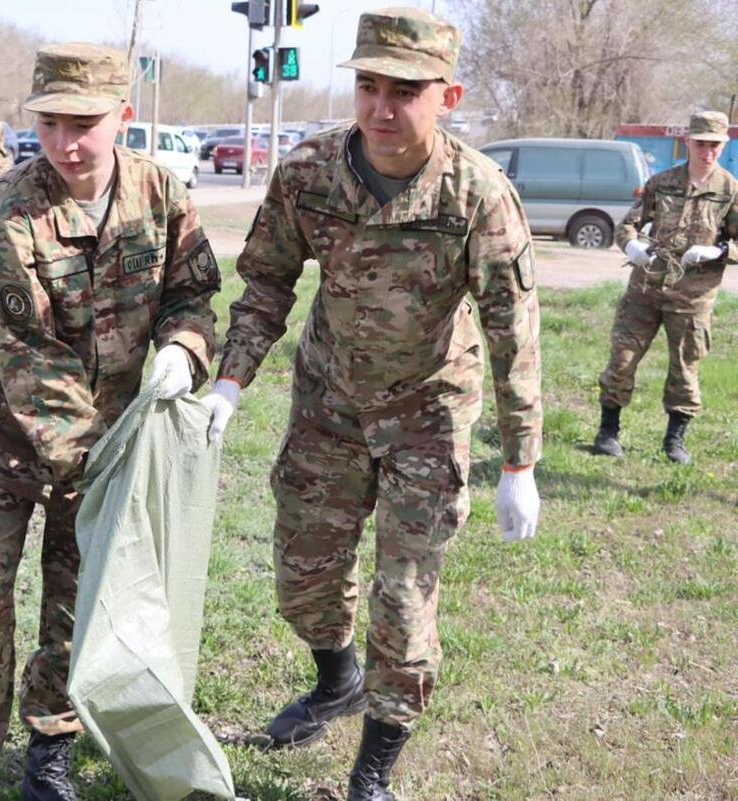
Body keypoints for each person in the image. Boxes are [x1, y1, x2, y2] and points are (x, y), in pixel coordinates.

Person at [199, 8, 542, 800]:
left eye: (406, 91)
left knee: (403, 598)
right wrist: (229, 382)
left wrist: (521, 460)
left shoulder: (478, 194)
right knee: (303, 577)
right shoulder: (310, 172)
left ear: (447, 94)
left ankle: (375, 765)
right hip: (330, 402)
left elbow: (513, 333)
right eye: (368, 86)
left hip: (429, 409)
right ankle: (336, 679)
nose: (382, 109)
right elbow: (266, 284)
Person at [0, 43, 220, 801]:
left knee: (77, 593)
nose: (66, 143)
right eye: (51, 123)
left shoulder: (164, 196)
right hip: (6, 432)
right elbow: (27, 358)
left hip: (113, 432)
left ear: (123, 115)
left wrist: (182, 351)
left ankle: (49, 754)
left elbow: (193, 295)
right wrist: (94, 466)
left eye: (84, 123)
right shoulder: (8, 209)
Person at [592, 111, 737, 464]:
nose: (707, 152)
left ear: (724, 145)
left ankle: (675, 439)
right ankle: (608, 431)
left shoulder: (730, 190)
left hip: (693, 297)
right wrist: (631, 246)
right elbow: (629, 224)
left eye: (715, 145)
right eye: (701, 143)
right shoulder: (662, 182)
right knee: (622, 360)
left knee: (685, 368)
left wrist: (719, 250)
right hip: (645, 289)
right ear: (688, 142)